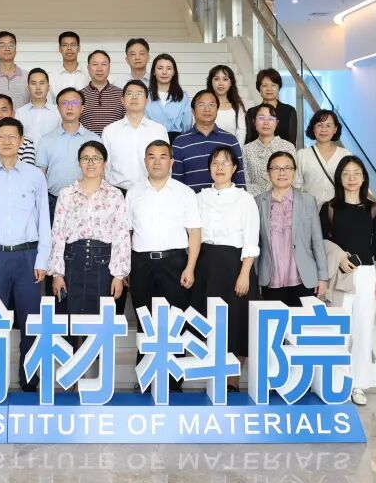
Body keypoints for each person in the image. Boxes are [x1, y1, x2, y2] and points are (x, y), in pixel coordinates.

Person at [0, 117, 51, 392]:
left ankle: (30, 380)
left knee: (31, 322)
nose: (6, 141)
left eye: (12, 137)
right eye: (1, 137)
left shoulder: (35, 176)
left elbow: (44, 221)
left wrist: (42, 259)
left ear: (21, 141)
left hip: (28, 257)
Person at [127, 140, 201, 391]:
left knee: (175, 321)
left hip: (175, 263)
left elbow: (194, 232)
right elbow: (126, 232)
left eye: (162, 156)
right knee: (145, 321)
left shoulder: (184, 192)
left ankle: (173, 381)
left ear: (171, 162)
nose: (157, 161)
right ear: (145, 161)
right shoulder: (133, 192)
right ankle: (146, 379)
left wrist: (190, 267)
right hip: (141, 263)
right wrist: (126, 267)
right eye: (151, 156)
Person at [320, 156, 376, 406]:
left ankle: (358, 384)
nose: (351, 178)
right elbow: (321, 242)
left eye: (356, 173)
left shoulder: (373, 209)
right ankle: (338, 382)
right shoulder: (329, 208)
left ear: (363, 177)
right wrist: (338, 258)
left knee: (363, 330)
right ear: (339, 177)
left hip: (367, 274)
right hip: (340, 276)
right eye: (346, 173)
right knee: (338, 330)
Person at [195, 147, 260, 389]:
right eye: (215, 163)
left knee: (236, 322)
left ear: (234, 168)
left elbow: (251, 238)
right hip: (205, 264)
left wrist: (244, 274)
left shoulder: (245, 199)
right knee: (209, 320)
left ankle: (232, 381)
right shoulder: (199, 197)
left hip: (235, 265)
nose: (220, 167)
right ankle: (214, 379)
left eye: (225, 163)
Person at [49, 140, 129, 314]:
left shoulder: (115, 195)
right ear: (79, 163)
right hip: (72, 259)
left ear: (104, 162)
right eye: (85, 158)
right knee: (69, 316)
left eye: (96, 158)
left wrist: (118, 275)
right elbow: (58, 234)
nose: (90, 163)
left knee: (100, 317)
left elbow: (121, 235)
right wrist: (57, 274)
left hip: (104, 261)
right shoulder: (66, 193)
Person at [255, 150, 328, 307]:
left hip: (303, 278)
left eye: (287, 168)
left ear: (294, 172)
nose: (282, 172)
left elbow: (317, 241)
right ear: (268, 173)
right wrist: (254, 278)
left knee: (303, 322)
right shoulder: (258, 202)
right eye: (276, 168)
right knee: (274, 322)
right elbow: (256, 244)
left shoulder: (308, 201)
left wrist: (323, 277)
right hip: (270, 279)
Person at [36, 87, 98, 222]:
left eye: (74, 103)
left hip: (86, 200)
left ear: (82, 108)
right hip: (53, 201)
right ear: (58, 108)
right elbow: (40, 175)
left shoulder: (94, 139)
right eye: (64, 103)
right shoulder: (46, 140)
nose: (69, 107)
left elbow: (100, 173)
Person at [171, 90, 245, 192]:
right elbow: (176, 181)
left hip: (225, 200)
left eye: (212, 105)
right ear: (193, 111)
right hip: (192, 200)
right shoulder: (180, 142)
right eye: (201, 105)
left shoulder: (230, 140)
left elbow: (239, 176)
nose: (207, 109)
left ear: (217, 110)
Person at [101, 80, 168, 192]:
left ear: (146, 101)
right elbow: (105, 167)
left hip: (150, 191)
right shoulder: (109, 131)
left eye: (139, 93)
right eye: (129, 93)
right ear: (122, 100)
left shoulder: (159, 130)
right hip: (117, 192)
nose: (134, 97)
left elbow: (166, 165)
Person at [296, 109, 352, 207]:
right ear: (313, 128)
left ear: (335, 129)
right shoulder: (302, 155)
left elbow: (351, 185)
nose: (323, 129)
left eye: (328, 125)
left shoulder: (345, 155)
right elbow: (296, 186)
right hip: (309, 211)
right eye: (319, 125)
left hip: (337, 211)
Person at [242, 103, 298, 197]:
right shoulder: (246, 149)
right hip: (254, 201)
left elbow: (293, 179)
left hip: (283, 200)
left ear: (277, 122)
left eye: (271, 119)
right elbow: (245, 182)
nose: (266, 122)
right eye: (261, 118)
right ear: (254, 121)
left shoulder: (288, 147)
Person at [145, 53, 192, 141]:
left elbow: (187, 125)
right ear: (154, 72)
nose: (164, 72)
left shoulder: (183, 96)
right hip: (151, 140)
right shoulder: (145, 96)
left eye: (169, 68)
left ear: (174, 72)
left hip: (176, 141)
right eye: (160, 68)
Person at [244, 69, 297, 145]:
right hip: (256, 152)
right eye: (264, 85)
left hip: (283, 152)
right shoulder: (251, 112)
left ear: (279, 87)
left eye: (273, 85)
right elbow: (248, 140)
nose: (269, 89)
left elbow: (292, 141)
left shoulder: (289, 111)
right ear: (259, 88)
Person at [80, 50, 124, 135]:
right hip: (86, 143)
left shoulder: (122, 94)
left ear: (109, 67)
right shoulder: (79, 95)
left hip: (114, 142)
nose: (99, 69)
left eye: (104, 64)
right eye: (95, 64)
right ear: (88, 68)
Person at [16, 68, 60, 144]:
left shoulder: (59, 112)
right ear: (28, 88)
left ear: (48, 87)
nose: (38, 88)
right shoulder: (19, 113)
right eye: (33, 83)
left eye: (42, 83)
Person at [0, 31, 29, 108]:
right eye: (2, 45)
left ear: (16, 49)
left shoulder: (28, 76)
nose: (7, 48)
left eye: (11, 45)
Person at [207, 65, 246, 146]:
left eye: (225, 79)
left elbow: (241, 132)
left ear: (231, 83)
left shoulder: (237, 107)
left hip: (231, 151)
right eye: (216, 79)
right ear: (211, 82)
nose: (221, 83)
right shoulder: (205, 105)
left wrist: (237, 151)